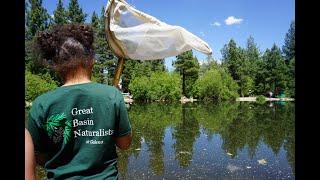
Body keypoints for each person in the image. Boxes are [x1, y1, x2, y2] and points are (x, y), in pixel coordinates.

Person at [25, 23, 132, 179]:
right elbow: (125, 144)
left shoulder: (41, 104)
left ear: (56, 66)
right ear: (91, 60)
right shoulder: (112, 95)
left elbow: (40, 158)